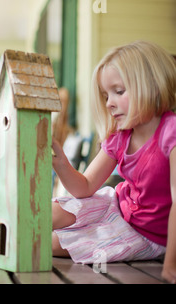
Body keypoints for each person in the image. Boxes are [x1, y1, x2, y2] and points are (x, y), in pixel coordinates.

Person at [51, 40, 176, 283]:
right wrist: (60, 162)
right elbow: (85, 187)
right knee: (48, 214)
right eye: (106, 95)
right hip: (115, 205)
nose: (109, 102)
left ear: (152, 86)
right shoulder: (121, 137)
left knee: (51, 243)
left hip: (146, 234)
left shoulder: (170, 132)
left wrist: (171, 263)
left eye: (119, 92)